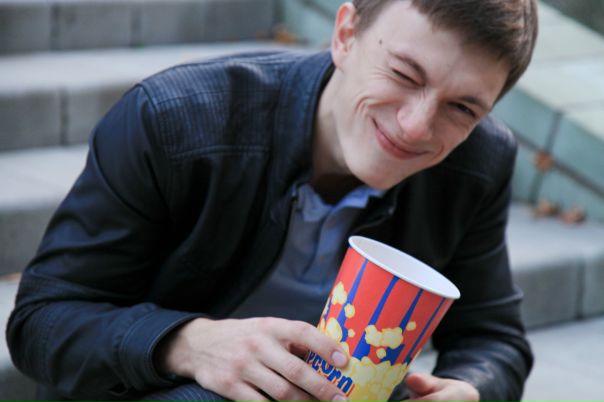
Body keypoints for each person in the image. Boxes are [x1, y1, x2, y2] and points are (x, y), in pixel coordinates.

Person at [7, 0, 539, 401]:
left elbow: (493, 339)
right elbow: (42, 321)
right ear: (345, 34)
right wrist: (187, 343)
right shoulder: (174, 122)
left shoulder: (479, 162)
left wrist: (470, 389)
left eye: (463, 109)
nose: (416, 126)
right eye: (403, 74)